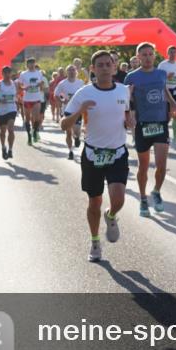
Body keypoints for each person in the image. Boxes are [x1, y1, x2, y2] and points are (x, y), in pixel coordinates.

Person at [62, 51, 133, 262]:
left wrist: (129, 122)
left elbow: (126, 114)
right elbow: (64, 124)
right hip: (93, 154)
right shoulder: (83, 93)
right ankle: (94, 242)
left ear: (114, 67)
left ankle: (111, 216)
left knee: (118, 198)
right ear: (92, 69)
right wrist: (80, 111)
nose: (104, 68)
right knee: (94, 202)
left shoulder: (123, 90)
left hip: (118, 152)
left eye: (107, 64)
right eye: (99, 65)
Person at [125, 42, 176, 217]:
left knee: (162, 165)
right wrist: (128, 115)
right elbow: (126, 99)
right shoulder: (131, 77)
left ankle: (156, 191)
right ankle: (142, 198)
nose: (148, 57)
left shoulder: (161, 74)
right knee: (143, 166)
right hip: (143, 125)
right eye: (144, 55)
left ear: (154, 56)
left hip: (160, 123)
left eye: (150, 54)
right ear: (138, 57)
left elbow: (164, 90)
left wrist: (172, 103)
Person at [54, 65, 85, 160]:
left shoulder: (80, 83)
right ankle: (70, 151)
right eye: (69, 70)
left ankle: (77, 138)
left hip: (78, 110)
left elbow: (85, 94)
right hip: (66, 110)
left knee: (76, 131)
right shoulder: (62, 83)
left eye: (73, 70)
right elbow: (56, 95)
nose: (71, 72)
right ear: (67, 72)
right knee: (68, 132)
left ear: (76, 72)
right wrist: (62, 101)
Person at [157, 45, 176, 148]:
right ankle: (164, 136)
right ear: (167, 53)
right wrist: (166, 76)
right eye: (171, 52)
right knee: (166, 117)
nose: (173, 54)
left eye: (174, 52)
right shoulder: (162, 65)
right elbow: (158, 79)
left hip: (175, 91)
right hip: (165, 91)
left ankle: (175, 139)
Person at [17, 58, 48, 144]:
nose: (31, 65)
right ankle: (29, 137)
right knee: (27, 119)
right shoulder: (23, 74)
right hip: (27, 99)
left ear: (35, 64)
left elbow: (42, 84)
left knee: (37, 118)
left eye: (32, 63)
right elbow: (19, 86)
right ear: (27, 65)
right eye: (29, 64)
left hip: (36, 99)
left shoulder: (39, 73)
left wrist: (39, 84)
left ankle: (34, 131)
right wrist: (24, 88)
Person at [0, 65, 18, 160]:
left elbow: (17, 95)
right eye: (5, 73)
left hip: (12, 109)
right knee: (2, 131)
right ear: (2, 74)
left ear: (11, 73)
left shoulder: (15, 84)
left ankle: (10, 150)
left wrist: (17, 99)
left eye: (9, 72)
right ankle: (3, 147)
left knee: (10, 129)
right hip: (1, 111)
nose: (7, 74)